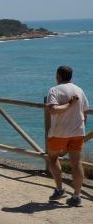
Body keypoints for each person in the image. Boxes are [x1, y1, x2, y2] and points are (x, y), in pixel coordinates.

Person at [46, 66, 89, 206]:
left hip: (59, 132)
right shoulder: (80, 90)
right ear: (71, 76)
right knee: (76, 163)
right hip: (77, 132)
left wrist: (69, 104)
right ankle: (76, 196)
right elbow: (85, 112)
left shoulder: (54, 90)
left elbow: (53, 110)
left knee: (52, 158)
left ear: (58, 75)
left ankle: (59, 189)